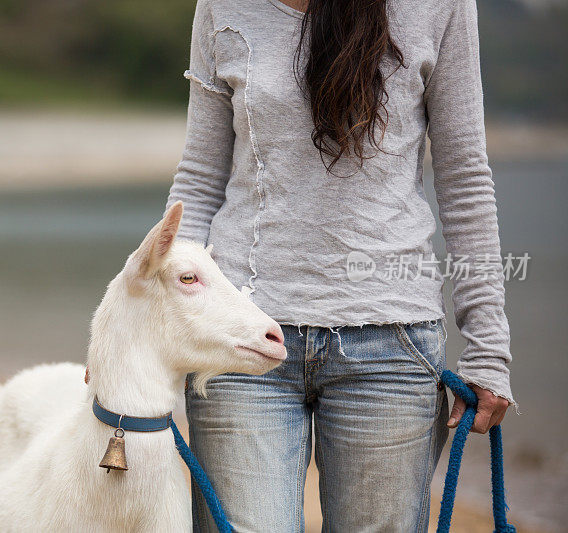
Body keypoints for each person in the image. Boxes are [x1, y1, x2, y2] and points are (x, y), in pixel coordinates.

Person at [165, 0, 514, 530]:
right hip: (237, 337)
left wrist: (488, 348)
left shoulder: (440, 7)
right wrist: (145, 316)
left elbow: (464, 179)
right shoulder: (223, 5)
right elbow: (199, 176)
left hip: (391, 348)